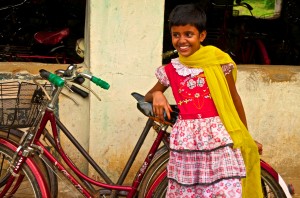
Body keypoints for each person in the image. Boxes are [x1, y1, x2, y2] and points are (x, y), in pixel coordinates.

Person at [144, 3, 263, 198]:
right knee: (188, 192)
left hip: (218, 139)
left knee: (224, 190)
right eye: (176, 35)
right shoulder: (171, 70)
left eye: (188, 34)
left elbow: (233, 99)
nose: (182, 40)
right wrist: (158, 94)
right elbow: (150, 94)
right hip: (186, 143)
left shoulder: (218, 62)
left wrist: (245, 136)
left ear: (202, 36)